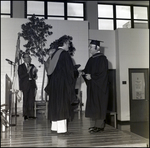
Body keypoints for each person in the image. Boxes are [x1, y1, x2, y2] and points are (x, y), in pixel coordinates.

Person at [45, 35, 77, 135]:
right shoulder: (64, 54)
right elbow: (69, 71)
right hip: (62, 85)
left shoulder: (54, 54)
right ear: (63, 43)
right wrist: (76, 73)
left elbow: (50, 71)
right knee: (62, 105)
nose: (69, 46)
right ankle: (62, 130)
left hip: (54, 85)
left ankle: (54, 127)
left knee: (55, 105)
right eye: (68, 43)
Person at [82, 40, 109, 133]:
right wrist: (83, 72)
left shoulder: (102, 59)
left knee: (99, 105)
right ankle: (96, 126)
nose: (89, 48)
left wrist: (92, 76)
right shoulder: (91, 59)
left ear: (97, 48)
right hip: (93, 86)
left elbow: (103, 74)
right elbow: (87, 70)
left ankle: (100, 126)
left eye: (91, 47)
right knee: (94, 105)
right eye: (89, 47)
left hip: (100, 87)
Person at [18, 53, 38, 120]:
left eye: (29, 57)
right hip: (25, 85)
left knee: (31, 99)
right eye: (26, 57)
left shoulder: (32, 66)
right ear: (24, 59)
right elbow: (21, 76)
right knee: (25, 99)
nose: (28, 58)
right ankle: (25, 114)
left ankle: (31, 114)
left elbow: (34, 77)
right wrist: (28, 72)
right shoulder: (21, 66)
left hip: (32, 84)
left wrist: (34, 72)